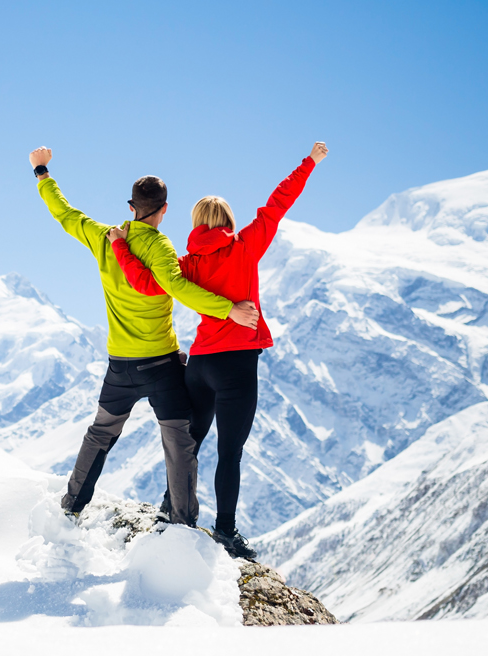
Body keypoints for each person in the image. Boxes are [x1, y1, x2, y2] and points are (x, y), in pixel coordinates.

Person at [108, 141, 329, 560]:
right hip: (236, 367)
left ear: (195, 223)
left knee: (189, 442)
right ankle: (225, 531)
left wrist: (121, 244)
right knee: (230, 453)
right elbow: (277, 203)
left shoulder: (185, 264)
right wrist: (310, 162)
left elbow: (146, 282)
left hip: (200, 364)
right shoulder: (246, 246)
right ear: (228, 220)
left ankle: (171, 506)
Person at [29, 146, 247, 528]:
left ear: (132, 207)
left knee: (99, 433)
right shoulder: (160, 247)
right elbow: (178, 287)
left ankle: (71, 505)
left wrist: (42, 173)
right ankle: (181, 522)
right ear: (165, 209)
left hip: (119, 366)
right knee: (179, 441)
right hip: (161, 365)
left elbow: (65, 214)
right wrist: (228, 309)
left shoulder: (103, 237)